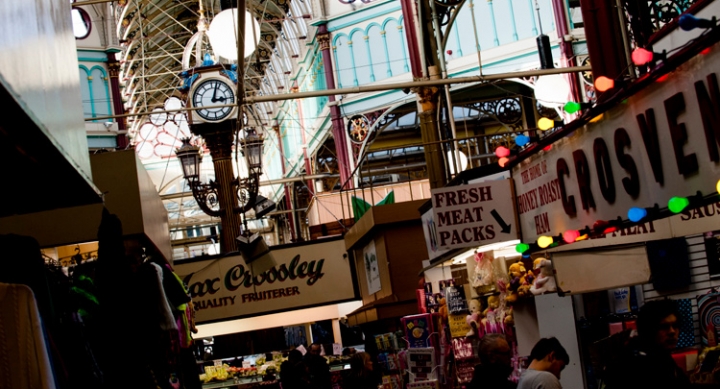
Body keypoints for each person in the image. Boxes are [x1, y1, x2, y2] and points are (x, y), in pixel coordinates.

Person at [602, 299, 690, 389]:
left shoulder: (661, 355)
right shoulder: (638, 364)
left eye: (675, 326)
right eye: (664, 327)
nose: (672, 331)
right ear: (649, 330)